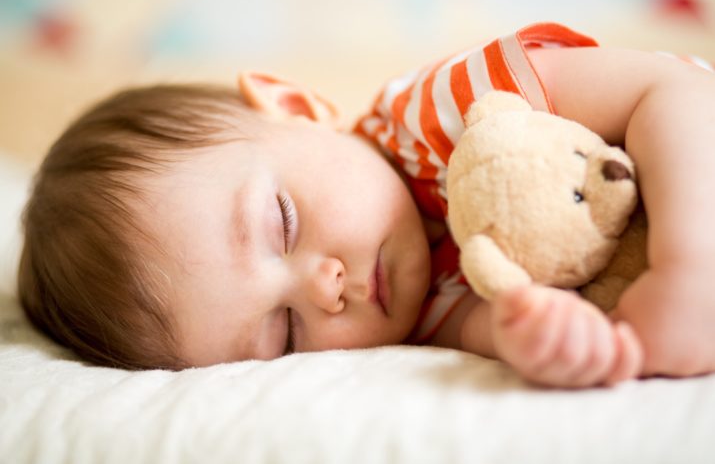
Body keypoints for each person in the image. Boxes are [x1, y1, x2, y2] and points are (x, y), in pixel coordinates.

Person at [18, 23, 715, 388]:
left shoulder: (443, 110)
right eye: (284, 333)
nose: (325, 290)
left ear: (297, 107)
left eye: (281, 223)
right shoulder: (423, 321)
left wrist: (688, 267)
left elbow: (671, 91)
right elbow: (505, 328)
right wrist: (547, 342)